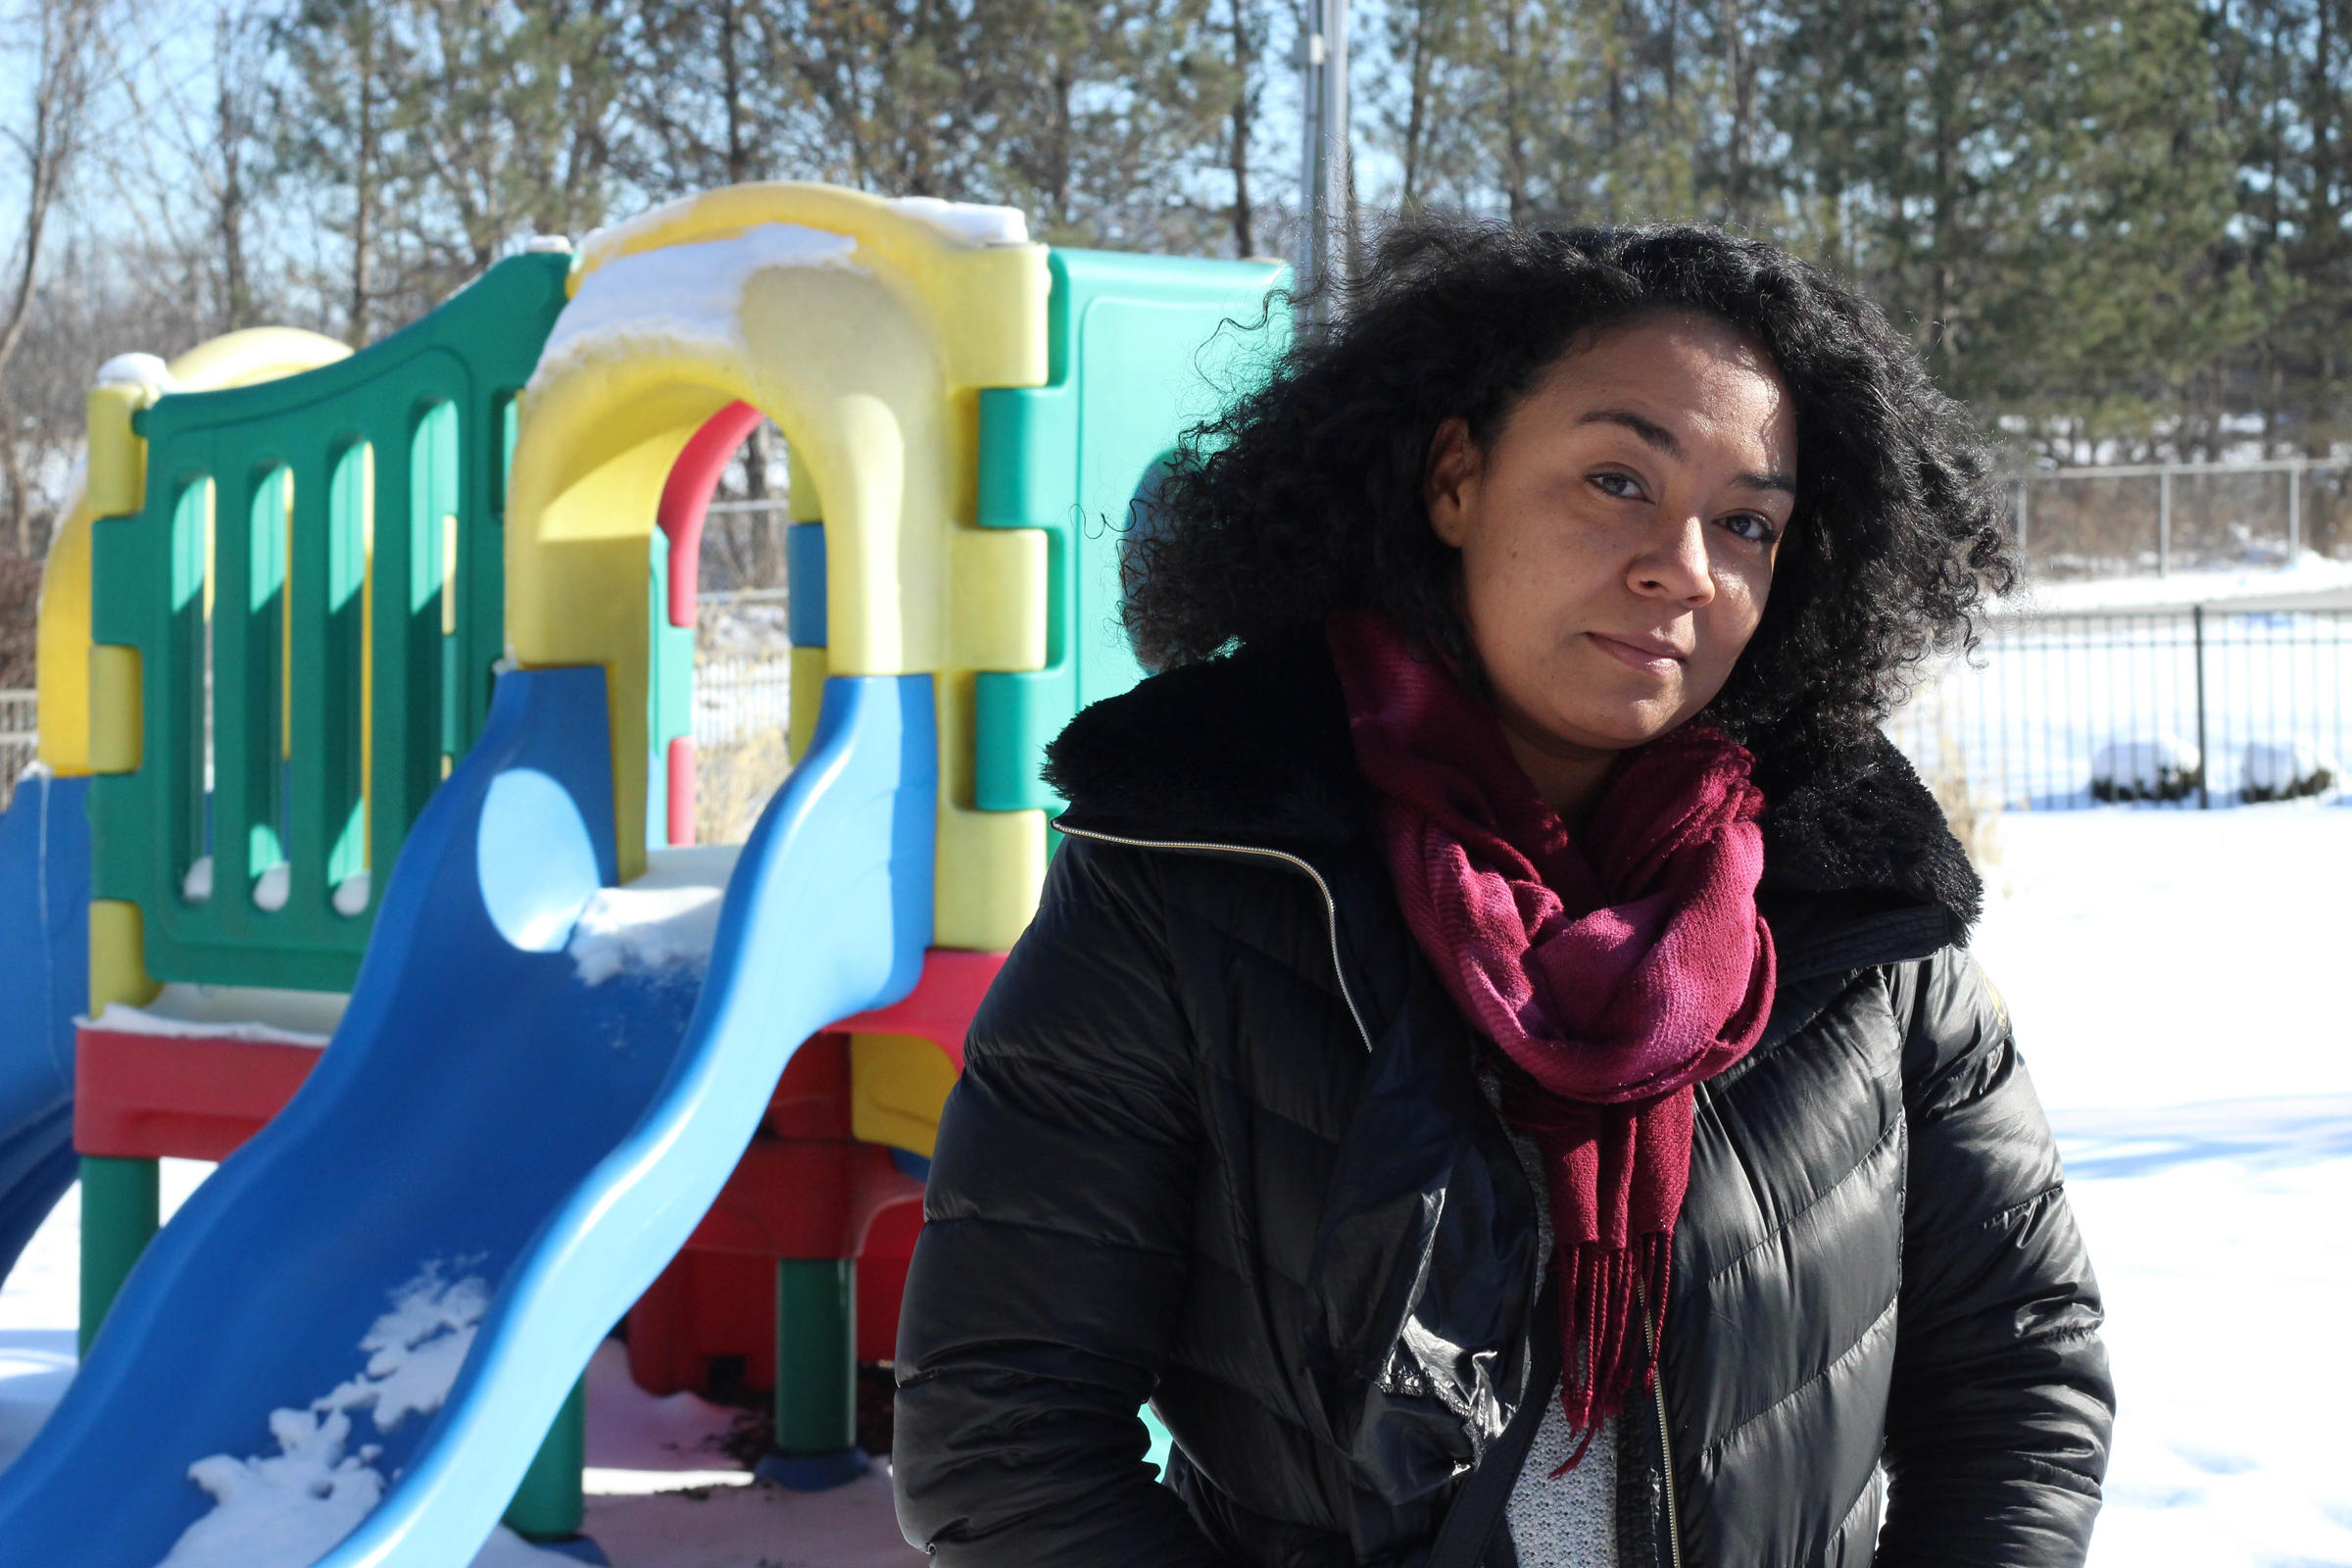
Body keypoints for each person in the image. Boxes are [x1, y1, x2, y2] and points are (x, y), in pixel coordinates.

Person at [889, 220, 2113, 1568]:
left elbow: (2019, 1384)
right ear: (1456, 478)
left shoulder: (1864, 916)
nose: (1683, 568)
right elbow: (998, 1437)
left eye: (1748, 521)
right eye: (1616, 478)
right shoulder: (1193, 877)